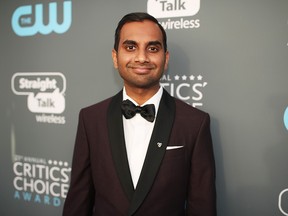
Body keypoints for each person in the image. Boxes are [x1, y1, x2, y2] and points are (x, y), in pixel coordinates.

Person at [63, 12, 216, 216]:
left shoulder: (195, 123)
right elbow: (78, 200)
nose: (142, 57)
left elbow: (202, 207)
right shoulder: (90, 119)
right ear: (115, 57)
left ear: (165, 58)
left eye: (152, 48)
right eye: (130, 47)